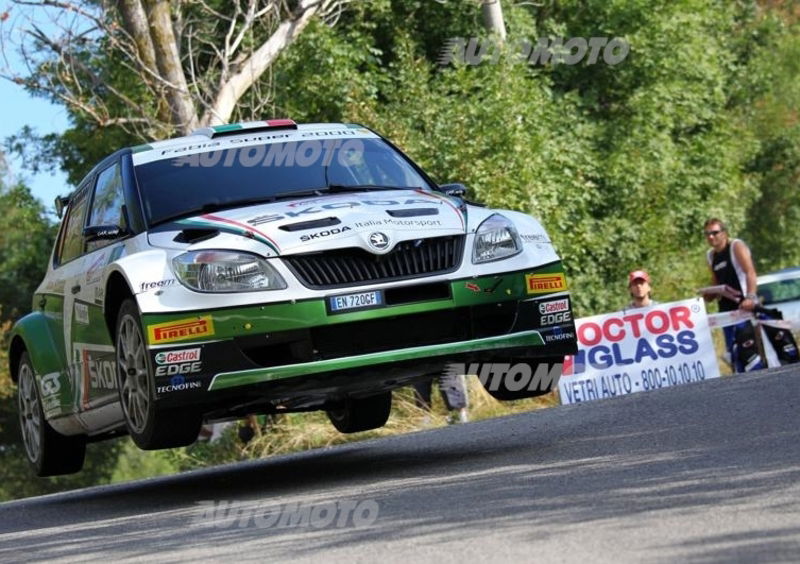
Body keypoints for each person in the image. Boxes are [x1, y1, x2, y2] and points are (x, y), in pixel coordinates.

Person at [703, 217, 763, 372]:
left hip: (743, 307)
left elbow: (750, 272)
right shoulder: (710, 255)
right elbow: (716, 282)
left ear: (724, 233)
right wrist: (708, 294)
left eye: (715, 233)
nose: (711, 237)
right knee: (734, 353)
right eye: (707, 234)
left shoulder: (735, 246)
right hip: (725, 310)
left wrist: (750, 297)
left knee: (749, 351)